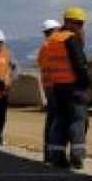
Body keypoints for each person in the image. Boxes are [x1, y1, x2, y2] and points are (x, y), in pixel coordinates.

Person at [40, 8, 90, 168]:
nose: (80, 27)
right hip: (74, 86)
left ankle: (56, 155)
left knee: (60, 120)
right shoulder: (71, 38)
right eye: (78, 23)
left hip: (57, 87)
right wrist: (86, 83)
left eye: (82, 24)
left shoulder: (52, 40)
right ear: (68, 22)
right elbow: (79, 64)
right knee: (77, 120)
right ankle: (77, 155)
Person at [37, 19, 60, 158]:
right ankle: (53, 152)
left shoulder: (43, 47)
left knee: (51, 118)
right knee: (56, 119)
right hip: (55, 86)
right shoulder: (54, 45)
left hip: (48, 86)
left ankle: (48, 152)